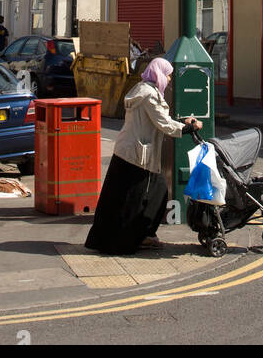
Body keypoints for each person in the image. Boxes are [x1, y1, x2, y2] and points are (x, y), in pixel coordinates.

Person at [85, 57, 200, 256]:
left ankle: (135, 235)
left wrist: (181, 122)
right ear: (159, 74)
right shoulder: (149, 95)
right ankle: (126, 241)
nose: (170, 79)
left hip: (126, 151)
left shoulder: (141, 89)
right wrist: (190, 127)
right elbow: (164, 124)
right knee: (134, 199)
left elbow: (158, 119)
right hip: (138, 155)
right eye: (168, 74)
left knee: (121, 197)